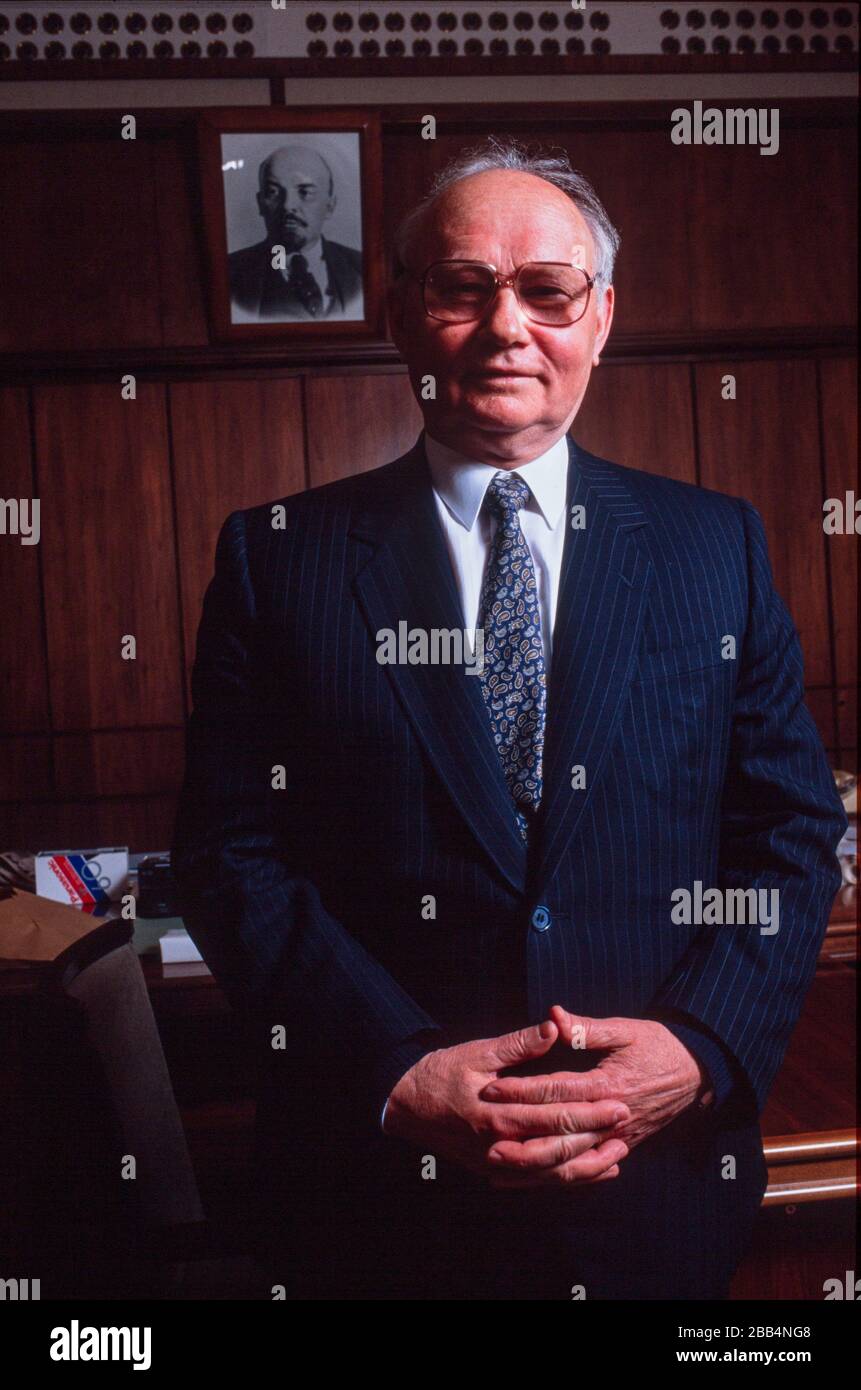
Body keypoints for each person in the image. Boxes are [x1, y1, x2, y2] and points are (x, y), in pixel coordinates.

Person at [173, 137, 846, 1300]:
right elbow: (234, 857)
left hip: (659, 1195)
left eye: (547, 290)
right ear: (400, 315)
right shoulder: (276, 560)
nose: (506, 327)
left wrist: (697, 1045)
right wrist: (400, 1069)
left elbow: (789, 834)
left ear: (601, 318)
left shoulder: (714, 548)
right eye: (462, 286)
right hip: (376, 1209)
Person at [228, 144, 363, 320]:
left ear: (330, 206)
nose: (288, 205)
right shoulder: (229, 274)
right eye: (273, 192)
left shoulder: (363, 268)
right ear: (261, 203)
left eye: (305, 192)